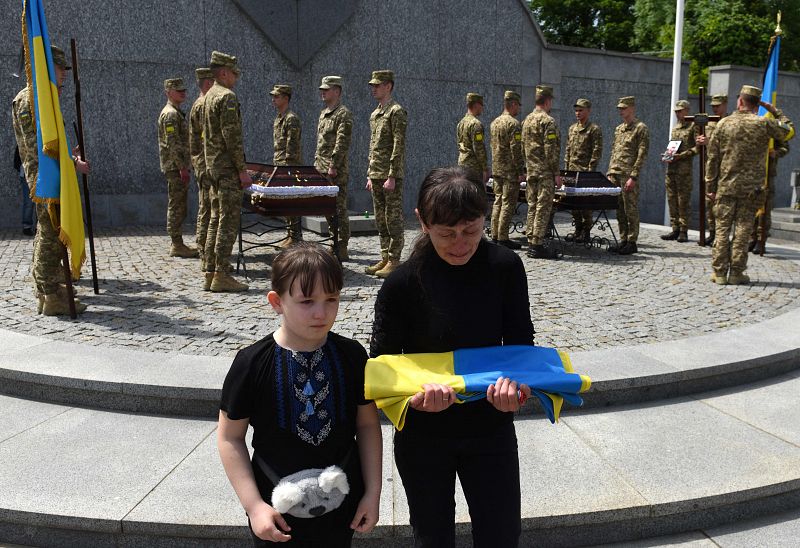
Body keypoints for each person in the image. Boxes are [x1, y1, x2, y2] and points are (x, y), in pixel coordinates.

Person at [370, 166, 534, 547]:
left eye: (471, 230)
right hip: (423, 436)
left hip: (489, 427)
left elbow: (520, 347)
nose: (460, 244)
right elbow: (381, 367)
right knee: (433, 538)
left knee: (501, 535)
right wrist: (411, 400)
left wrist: (518, 391)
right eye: (447, 234)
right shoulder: (402, 284)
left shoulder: (505, 267)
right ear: (423, 223)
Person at [218, 243, 382, 547]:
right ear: (277, 302)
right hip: (276, 514)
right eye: (307, 301)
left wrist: (373, 493)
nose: (321, 312)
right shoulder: (251, 363)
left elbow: (368, 425)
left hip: (342, 507)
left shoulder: (352, 355)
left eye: (331, 299)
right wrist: (254, 507)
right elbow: (229, 437)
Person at [12, 45, 89, 316]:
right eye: (59, 68)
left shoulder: (41, 98)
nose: (64, 74)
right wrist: (69, 163)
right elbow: (39, 149)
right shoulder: (32, 99)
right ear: (45, 67)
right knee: (51, 234)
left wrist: (69, 156)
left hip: (50, 175)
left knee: (51, 232)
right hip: (45, 178)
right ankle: (49, 292)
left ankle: (50, 288)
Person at [705, 85, 793, 285]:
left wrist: (710, 186)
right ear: (757, 103)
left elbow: (713, 158)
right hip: (752, 189)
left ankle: (719, 273)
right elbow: (789, 131)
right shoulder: (763, 123)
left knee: (722, 229)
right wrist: (774, 110)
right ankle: (736, 273)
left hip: (726, 185)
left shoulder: (724, 124)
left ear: (740, 101)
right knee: (743, 229)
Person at [202, 50, 252, 292]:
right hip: (226, 168)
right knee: (228, 220)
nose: (236, 77)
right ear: (223, 72)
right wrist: (241, 170)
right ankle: (221, 273)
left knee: (215, 219)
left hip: (213, 166)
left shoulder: (207, 96)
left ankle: (210, 270)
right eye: (234, 73)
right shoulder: (226, 97)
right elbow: (231, 137)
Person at [365, 70, 407, 278]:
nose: (373, 88)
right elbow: (373, 146)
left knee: (393, 219)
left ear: (388, 86)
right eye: (372, 85)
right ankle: (384, 256)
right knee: (380, 219)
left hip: (390, 175)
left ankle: (395, 259)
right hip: (376, 173)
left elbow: (398, 145)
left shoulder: (396, 112)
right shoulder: (375, 114)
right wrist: (369, 174)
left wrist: (392, 175)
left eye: (377, 85)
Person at [158, 77, 198, 258]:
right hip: (175, 167)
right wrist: (182, 167)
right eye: (178, 90)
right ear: (168, 92)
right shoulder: (170, 115)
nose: (182, 93)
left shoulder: (176, 112)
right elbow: (172, 144)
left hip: (177, 166)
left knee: (179, 203)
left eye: (183, 90)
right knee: (176, 204)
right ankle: (176, 243)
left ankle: (178, 241)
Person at [315, 76, 353, 260]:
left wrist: (333, 165)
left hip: (335, 170)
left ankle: (342, 245)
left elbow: (342, 143)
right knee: (327, 209)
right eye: (322, 89)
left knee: (338, 208)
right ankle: (333, 242)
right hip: (321, 168)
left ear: (337, 91)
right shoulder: (324, 113)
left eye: (326, 89)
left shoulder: (343, 114)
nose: (322, 91)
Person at [522, 84, 561, 259]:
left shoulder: (526, 120)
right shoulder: (548, 121)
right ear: (548, 101)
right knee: (543, 207)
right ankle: (537, 245)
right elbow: (550, 150)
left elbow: (522, 147)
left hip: (531, 171)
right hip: (545, 172)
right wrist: (556, 173)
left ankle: (531, 240)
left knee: (532, 206)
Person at [607, 96, 649, 255]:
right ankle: (623, 239)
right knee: (619, 209)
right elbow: (614, 151)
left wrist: (634, 176)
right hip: (616, 174)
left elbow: (642, 154)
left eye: (623, 108)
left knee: (630, 209)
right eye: (619, 108)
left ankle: (632, 241)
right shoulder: (619, 129)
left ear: (632, 108)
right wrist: (610, 171)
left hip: (628, 175)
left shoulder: (640, 128)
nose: (621, 111)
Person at [189, 67, 215, 288]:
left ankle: (204, 251)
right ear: (208, 83)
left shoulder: (199, 104)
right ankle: (206, 253)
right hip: (207, 166)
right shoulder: (202, 105)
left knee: (205, 209)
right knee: (208, 210)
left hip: (203, 164)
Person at [489, 90, 525, 249]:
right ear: (513, 104)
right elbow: (516, 149)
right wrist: (520, 171)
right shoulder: (513, 124)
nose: (518, 110)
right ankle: (503, 237)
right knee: (508, 203)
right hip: (510, 171)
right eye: (518, 106)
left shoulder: (494, 122)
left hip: (497, 170)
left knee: (497, 202)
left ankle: (495, 235)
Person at [564, 98, 603, 243]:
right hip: (572, 171)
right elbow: (568, 149)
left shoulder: (594, 129)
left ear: (588, 111)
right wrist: (566, 168)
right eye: (576, 110)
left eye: (581, 110)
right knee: (574, 203)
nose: (578, 113)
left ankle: (586, 232)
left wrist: (590, 171)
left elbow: (596, 151)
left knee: (585, 203)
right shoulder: (572, 128)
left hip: (585, 172)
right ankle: (578, 229)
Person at [661, 99, 698, 243]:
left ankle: (683, 231)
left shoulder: (693, 127)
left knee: (683, 201)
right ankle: (675, 228)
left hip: (684, 170)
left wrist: (681, 156)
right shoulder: (676, 128)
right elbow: (673, 146)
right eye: (676, 111)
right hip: (671, 169)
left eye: (680, 111)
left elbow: (697, 148)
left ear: (687, 110)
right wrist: (667, 155)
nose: (677, 113)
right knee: (672, 199)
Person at [271, 84, 304, 247]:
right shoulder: (279, 118)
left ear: (286, 98)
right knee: (285, 202)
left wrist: (288, 169)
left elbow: (292, 147)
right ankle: (290, 234)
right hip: (280, 165)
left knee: (292, 202)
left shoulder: (291, 119)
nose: (273, 99)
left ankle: (296, 236)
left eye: (277, 96)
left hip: (289, 167)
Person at [695, 94, 728, 245]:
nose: (715, 108)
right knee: (709, 200)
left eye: (718, 105)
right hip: (709, 167)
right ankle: (712, 232)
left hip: (724, 168)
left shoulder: (729, 123)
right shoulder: (708, 123)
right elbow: (700, 144)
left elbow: (730, 148)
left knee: (722, 202)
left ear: (725, 105)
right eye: (713, 106)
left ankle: (722, 235)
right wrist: (700, 142)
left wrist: (710, 142)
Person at [750, 139, 789, 254]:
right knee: (749, 205)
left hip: (767, 173)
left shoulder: (777, 122)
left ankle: (761, 240)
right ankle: (751, 238)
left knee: (764, 208)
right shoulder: (751, 120)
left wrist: (775, 153)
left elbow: (785, 146)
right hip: (750, 172)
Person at [456, 93, 488, 183]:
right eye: (481, 105)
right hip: (473, 167)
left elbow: (459, 143)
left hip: (462, 164)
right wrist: (485, 168)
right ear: (476, 105)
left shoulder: (461, 123)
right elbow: (478, 148)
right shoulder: (476, 124)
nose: (482, 108)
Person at [14, 145, 35, 235]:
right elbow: (16, 161)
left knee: (42, 201)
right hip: (26, 176)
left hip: (40, 174)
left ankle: (41, 226)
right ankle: (27, 226)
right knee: (28, 202)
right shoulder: (20, 143)